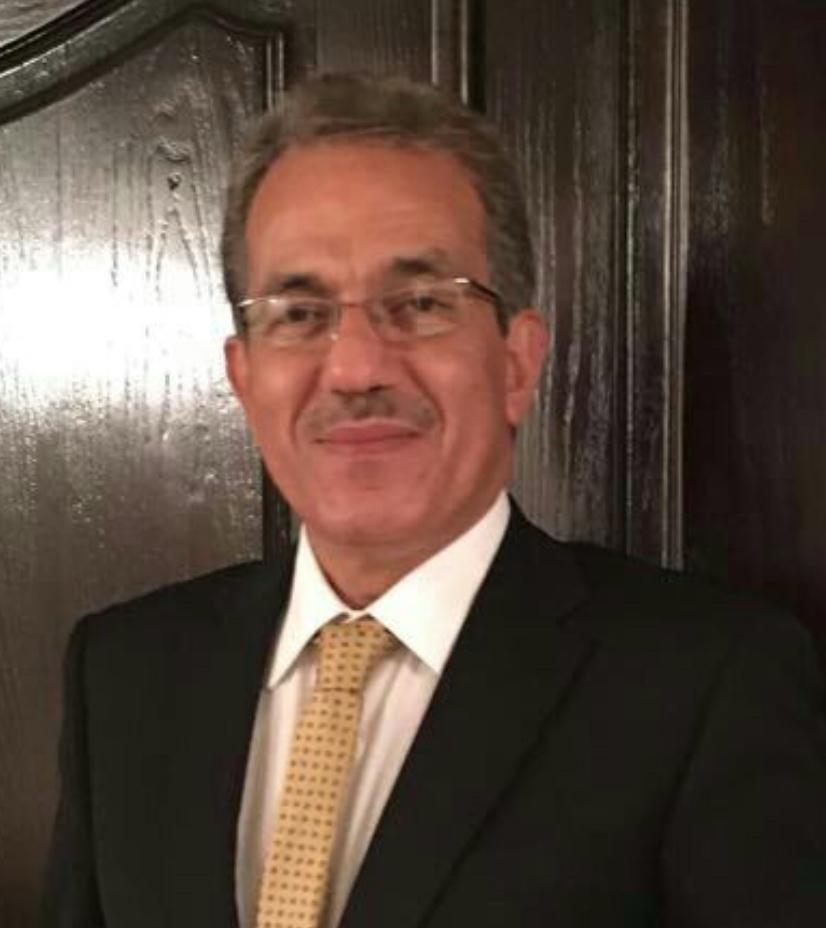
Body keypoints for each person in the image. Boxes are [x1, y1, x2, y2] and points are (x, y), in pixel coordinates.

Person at [43, 73, 826, 928]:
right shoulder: (125, 671)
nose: (355, 369)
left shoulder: (706, 682)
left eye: (418, 304)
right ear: (244, 375)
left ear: (517, 362)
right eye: (299, 313)